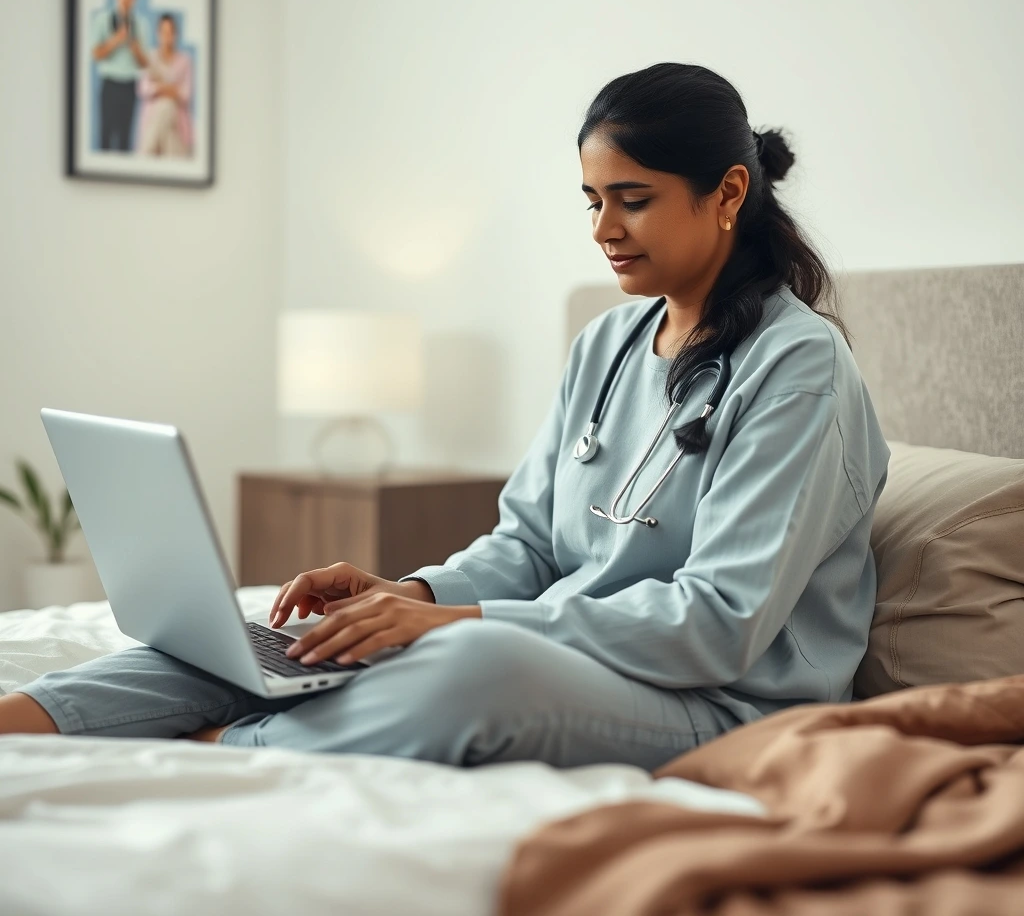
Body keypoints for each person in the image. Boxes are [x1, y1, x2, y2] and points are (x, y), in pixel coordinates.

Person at [0, 62, 889, 771]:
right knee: (286, 639)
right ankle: (31, 716)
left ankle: (228, 749)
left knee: (470, 666)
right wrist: (410, 595)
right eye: (592, 199)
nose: (603, 228)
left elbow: (720, 622)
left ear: (729, 194)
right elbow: (528, 548)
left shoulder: (799, 369)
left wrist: (458, 626)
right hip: (575, 658)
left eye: (634, 198)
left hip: (718, 705)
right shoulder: (609, 343)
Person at [90, 0, 151, 152]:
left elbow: (144, 63)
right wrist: (116, 39)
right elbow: (96, 54)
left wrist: (133, 44)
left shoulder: (140, 24)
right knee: (106, 135)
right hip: (110, 83)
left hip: (129, 85)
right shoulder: (102, 20)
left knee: (125, 137)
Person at [137, 13, 193, 157]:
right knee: (166, 105)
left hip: (177, 124)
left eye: (171, 32)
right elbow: (143, 89)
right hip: (153, 120)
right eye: (164, 32)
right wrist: (171, 88)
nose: (167, 36)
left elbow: (186, 94)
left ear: (176, 35)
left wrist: (159, 85)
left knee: (167, 106)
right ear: (158, 33)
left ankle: (145, 152)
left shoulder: (184, 60)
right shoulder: (150, 57)